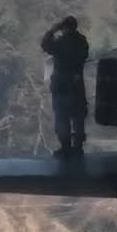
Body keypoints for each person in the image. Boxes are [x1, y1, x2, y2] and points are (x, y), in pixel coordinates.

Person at [40, 16, 90, 159]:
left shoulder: (61, 42)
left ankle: (66, 148)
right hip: (77, 84)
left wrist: (54, 29)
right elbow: (84, 55)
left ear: (64, 27)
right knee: (78, 116)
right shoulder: (82, 41)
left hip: (62, 85)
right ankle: (78, 147)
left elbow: (45, 45)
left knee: (62, 116)